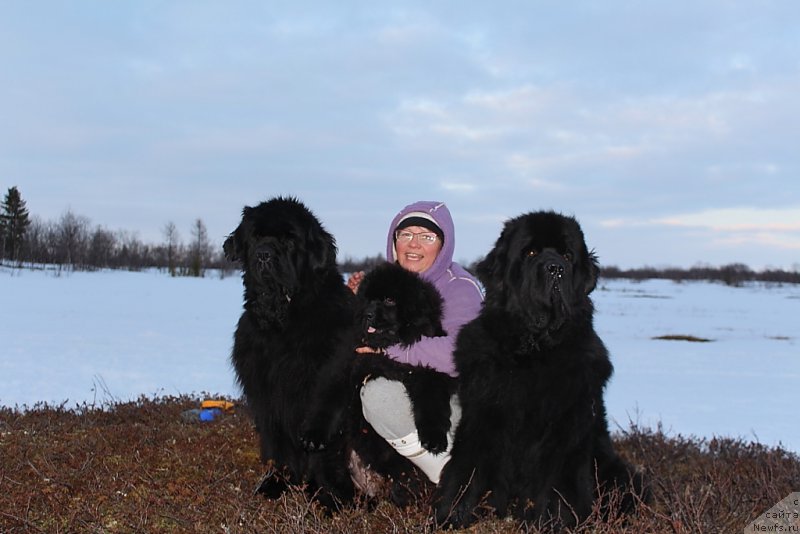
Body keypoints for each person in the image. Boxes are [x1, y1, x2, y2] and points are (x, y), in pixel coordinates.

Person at [349, 200, 484, 483]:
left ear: (444, 245)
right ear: (393, 240)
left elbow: (461, 354)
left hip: (459, 404)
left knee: (381, 396)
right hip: (417, 395)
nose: (414, 245)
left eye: (426, 237)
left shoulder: (460, 287)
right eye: (406, 234)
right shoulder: (384, 281)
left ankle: (450, 477)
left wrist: (388, 351)